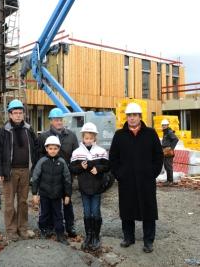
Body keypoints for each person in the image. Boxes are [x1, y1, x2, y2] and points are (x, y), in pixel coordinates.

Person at [109, 102, 164, 253]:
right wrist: (119, 175)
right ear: (126, 117)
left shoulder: (150, 134)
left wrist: (153, 173)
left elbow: (159, 156)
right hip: (126, 181)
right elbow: (113, 158)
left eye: (135, 115)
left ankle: (148, 241)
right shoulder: (119, 135)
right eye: (129, 115)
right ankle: (128, 237)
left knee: (149, 210)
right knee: (127, 210)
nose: (132, 118)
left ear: (140, 117)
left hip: (146, 180)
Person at [0, 99, 38, 241]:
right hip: (10, 172)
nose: (18, 115)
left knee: (23, 201)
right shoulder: (4, 131)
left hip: (26, 170)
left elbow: (35, 148)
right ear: (10, 115)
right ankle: (11, 230)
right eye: (15, 113)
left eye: (20, 113)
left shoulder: (28, 129)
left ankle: (22, 228)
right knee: (9, 202)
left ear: (23, 114)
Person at [37, 107, 79, 238]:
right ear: (50, 121)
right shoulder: (43, 137)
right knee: (49, 204)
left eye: (61, 119)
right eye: (56, 120)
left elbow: (76, 155)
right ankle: (48, 228)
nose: (59, 122)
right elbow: (38, 157)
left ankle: (69, 226)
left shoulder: (71, 135)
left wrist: (74, 171)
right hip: (49, 178)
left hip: (66, 177)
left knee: (67, 202)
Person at [70, 122, 109, 251]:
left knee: (96, 213)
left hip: (97, 188)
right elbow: (72, 169)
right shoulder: (77, 153)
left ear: (95, 138)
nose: (88, 140)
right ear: (83, 138)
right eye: (86, 138)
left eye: (91, 138)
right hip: (84, 189)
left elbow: (107, 166)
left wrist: (98, 168)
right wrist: (81, 166)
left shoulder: (101, 151)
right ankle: (89, 236)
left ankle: (96, 236)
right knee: (87, 213)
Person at [32, 136, 72, 245]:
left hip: (57, 195)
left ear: (58, 149)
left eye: (55, 148)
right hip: (44, 194)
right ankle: (44, 230)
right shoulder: (42, 161)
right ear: (46, 149)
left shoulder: (62, 162)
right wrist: (35, 193)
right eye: (50, 148)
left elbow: (67, 180)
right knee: (44, 213)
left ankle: (60, 234)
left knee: (58, 214)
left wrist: (67, 195)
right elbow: (35, 177)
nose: (53, 151)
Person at [161, 119, 179, 185]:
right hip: (165, 151)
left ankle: (170, 181)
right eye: (163, 125)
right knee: (166, 166)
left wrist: (171, 148)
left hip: (168, 151)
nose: (164, 126)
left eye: (165, 125)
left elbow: (176, 139)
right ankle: (168, 180)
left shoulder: (169, 132)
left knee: (168, 166)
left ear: (168, 125)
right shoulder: (165, 132)